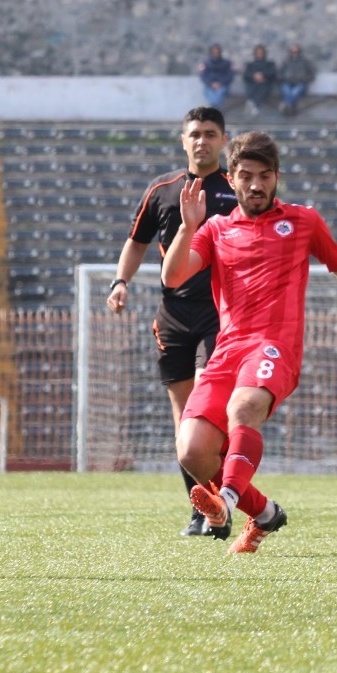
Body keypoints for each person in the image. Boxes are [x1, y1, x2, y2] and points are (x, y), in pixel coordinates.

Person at [167, 130, 337, 555]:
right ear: (231, 179)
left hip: (273, 346)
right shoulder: (215, 229)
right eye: (247, 176)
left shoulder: (303, 221)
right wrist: (187, 227)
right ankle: (264, 513)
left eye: (265, 176)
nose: (256, 185)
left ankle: (226, 501)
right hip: (227, 350)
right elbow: (172, 276)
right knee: (191, 451)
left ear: (277, 177)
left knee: (243, 407)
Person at [108, 106, 236, 538]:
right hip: (173, 318)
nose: (202, 141)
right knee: (184, 421)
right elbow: (136, 242)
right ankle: (202, 511)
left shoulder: (237, 189)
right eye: (195, 133)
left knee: (204, 408)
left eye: (211, 133)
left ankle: (226, 498)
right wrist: (120, 282)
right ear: (184, 140)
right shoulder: (162, 190)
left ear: (223, 141)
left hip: (219, 315)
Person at [277, 43, 317, 116]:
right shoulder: (285, 61)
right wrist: (285, 78)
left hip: (300, 83)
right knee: (286, 91)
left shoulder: (305, 61)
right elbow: (279, 73)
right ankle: (289, 107)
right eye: (293, 50)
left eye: (296, 51)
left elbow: (312, 74)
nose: (294, 52)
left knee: (295, 92)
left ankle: (286, 104)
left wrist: (303, 79)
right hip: (287, 82)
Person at [241, 44, 277, 117]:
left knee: (261, 88)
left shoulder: (269, 63)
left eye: (261, 52)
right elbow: (246, 74)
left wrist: (262, 75)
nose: (259, 54)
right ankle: (253, 104)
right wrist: (254, 76)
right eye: (258, 52)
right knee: (254, 87)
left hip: (265, 83)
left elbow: (273, 73)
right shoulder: (250, 64)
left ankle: (254, 105)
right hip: (253, 83)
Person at [197, 44, 234, 108]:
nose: (215, 53)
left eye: (217, 52)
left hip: (222, 85)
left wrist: (220, 83)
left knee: (220, 93)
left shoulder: (227, 63)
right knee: (209, 93)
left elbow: (230, 75)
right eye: (214, 52)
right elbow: (203, 75)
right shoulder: (206, 63)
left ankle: (214, 108)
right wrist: (211, 84)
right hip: (209, 85)